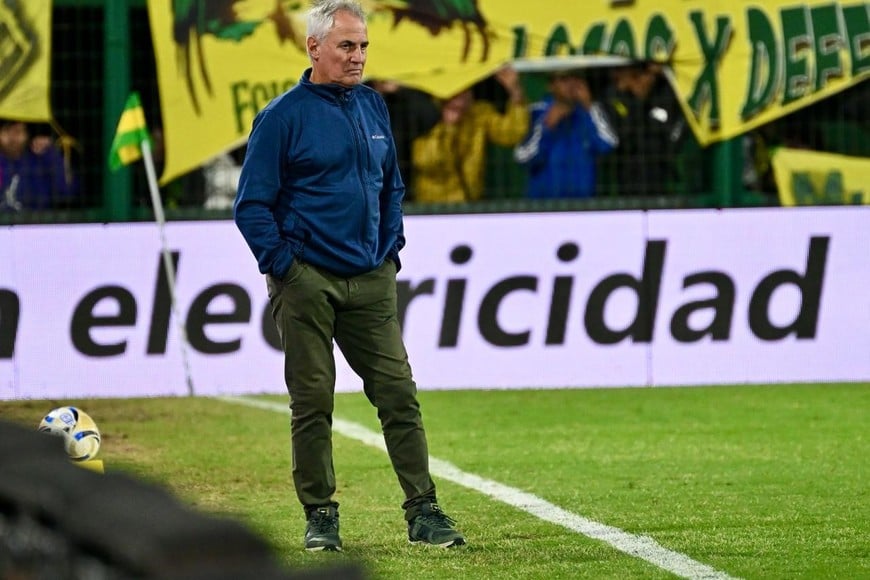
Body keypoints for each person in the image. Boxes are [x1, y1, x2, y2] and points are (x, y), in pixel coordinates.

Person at [233, 0, 465, 553]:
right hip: (307, 280)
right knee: (312, 400)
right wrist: (287, 268)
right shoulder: (282, 116)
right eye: (347, 46)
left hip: (371, 278)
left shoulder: (373, 108)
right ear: (314, 47)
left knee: (399, 395)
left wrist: (390, 252)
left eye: (363, 46)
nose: (358, 56)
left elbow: (392, 189)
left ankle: (424, 511)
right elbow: (251, 205)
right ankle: (320, 515)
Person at [411, 66, 529, 203]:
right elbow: (428, 163)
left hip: (470, 205)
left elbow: (512, 134)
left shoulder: (479, 113)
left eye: (466, 88)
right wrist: (449, 127)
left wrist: (515, 92)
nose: (462, 94)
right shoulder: (427, 112)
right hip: (432, 208)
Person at [513, 68, 618, 199]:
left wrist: (589, 108)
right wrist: (547, 129)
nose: (571, 84)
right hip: (542, 207)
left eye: (576, 78)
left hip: (583, 207)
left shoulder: (590, 113)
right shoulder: (536, 112)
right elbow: (522, 158)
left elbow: (608, 144)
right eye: (564, 79)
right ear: (551, 86)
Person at [601, 62, 686, 196]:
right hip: (625, 178)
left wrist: (646, 100)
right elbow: (621, 137)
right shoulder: (613, 96)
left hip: (663, 177)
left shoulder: (666, 93)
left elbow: (673, 136)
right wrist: (638, 100)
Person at [366, 79, 440, 202]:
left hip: (401, 189)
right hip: (365, 189)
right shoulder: (356, 95)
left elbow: (431, 117)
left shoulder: (405, 100)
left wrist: (403, 90)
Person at [0, 120, 78, 211]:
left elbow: (68, 192)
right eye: (7, 131)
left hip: (36, 223)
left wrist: (52, 154)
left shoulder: (42, 161)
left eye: (18, 131)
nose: (12, 137)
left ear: (27, 135)